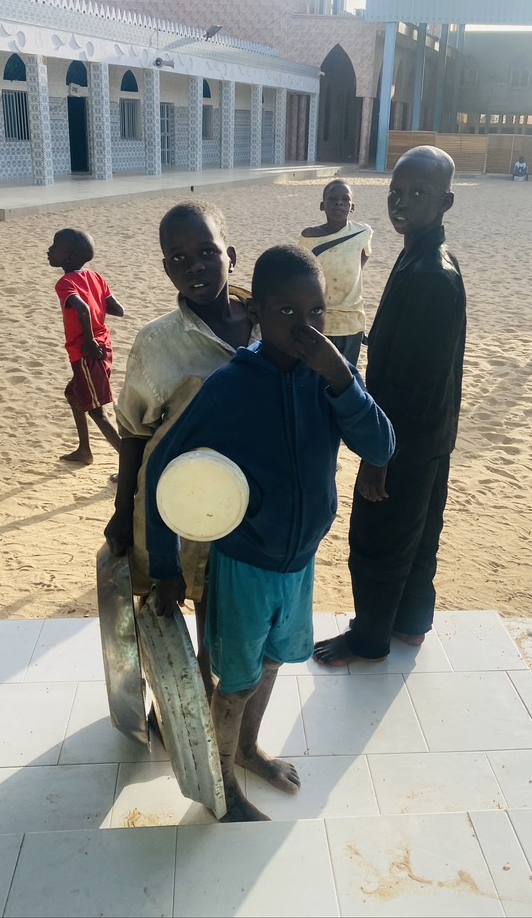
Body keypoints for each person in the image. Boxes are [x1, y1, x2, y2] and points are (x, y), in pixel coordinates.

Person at [145, 245, 394, 821]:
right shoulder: (234, 385)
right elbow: (165, 471)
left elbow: (382, 445)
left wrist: (340, 379)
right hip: (246, 563)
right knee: (235, 679)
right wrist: (164, 566)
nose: (306, 329)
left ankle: (249, 750)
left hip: (300, 561)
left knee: (277, 660)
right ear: (256, 310)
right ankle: (222, 783)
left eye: (317, 313)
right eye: (287, 312)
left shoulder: (329, 378)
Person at [314, 145, 466, 667]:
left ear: (445, 201)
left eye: (418, 194)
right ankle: (410, 623)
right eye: (396, 193)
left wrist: (380, 457)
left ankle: (371, 638)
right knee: (421, 529)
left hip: (405, 438)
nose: (401, 204)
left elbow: (415, 385)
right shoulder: (424, 256)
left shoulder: (431, 275)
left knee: (381, 536)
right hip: (430, 435)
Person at [104, 200, 256, 692]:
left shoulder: (268, 324)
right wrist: (123, 509)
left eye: (206, 251)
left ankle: (208, 698)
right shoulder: (157, 343)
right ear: (166, 267)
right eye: (178, 257)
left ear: (230, 254)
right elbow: (134, 432)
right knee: (168, 599)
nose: (194, 265)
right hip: (175, 502)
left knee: (223, 607)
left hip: (248, 502)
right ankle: (177, 700)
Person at [47, 227, 124, 467]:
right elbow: (117, 309)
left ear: (68, 257)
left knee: (97, 411)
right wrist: (98, 304)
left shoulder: (65, 283)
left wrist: (89, 340)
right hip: (101, 347)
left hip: (88, 353)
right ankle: (84, 450)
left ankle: (131, 463)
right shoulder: (96, 278)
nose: (49, 250)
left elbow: (83, 309)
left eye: (54, 247)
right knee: (73, 395)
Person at [299, 179, 372, 366]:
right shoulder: (309, 237)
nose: (339, 203)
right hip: (321, 320)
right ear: (322, 205)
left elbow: (362, 258)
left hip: (351, 320)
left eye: (345, 200)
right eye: (333, 199)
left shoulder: (362, 233)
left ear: (352, 207)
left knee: (347, 374)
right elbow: (304, 271)